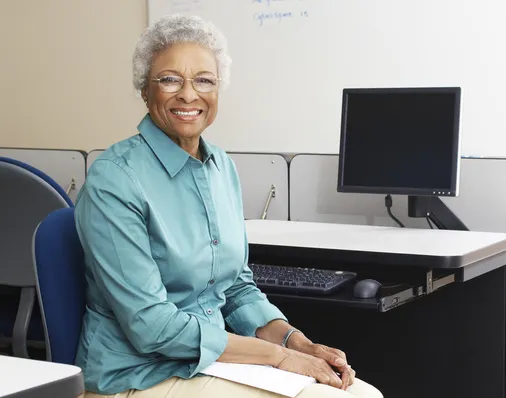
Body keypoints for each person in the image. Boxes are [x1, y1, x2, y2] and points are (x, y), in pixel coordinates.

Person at [75, 14, 383, 398]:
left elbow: (236, 288)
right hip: (137, 375)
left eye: (204, 80)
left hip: (208, 361)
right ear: (145, 90)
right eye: (170, 79)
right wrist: (277, 357)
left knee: (363, 394)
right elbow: (151, 327)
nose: (189, 95)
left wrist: (295, 342)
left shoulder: (221, 166)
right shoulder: (115, 179)